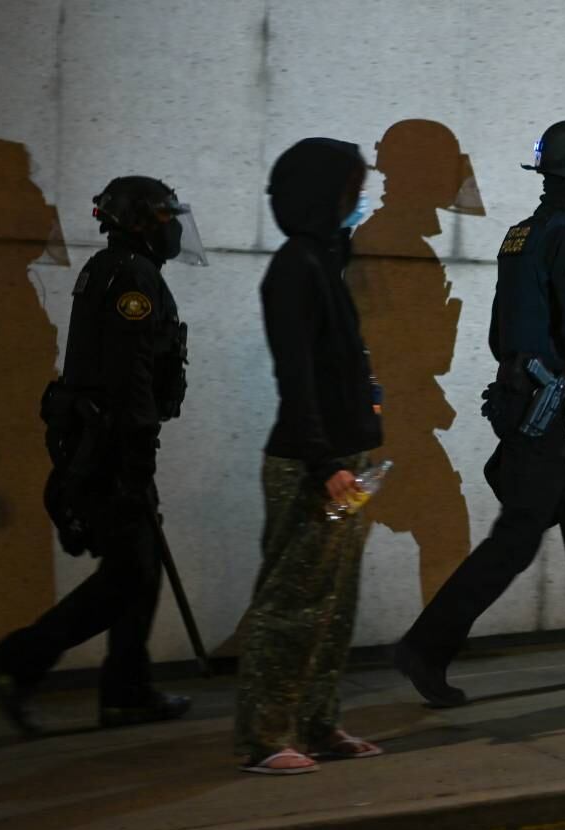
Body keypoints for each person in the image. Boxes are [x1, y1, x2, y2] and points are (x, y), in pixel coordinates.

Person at [393, 119, 565, 707]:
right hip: (543, 406)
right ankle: (426, 646)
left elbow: (506, 325)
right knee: (516, 539)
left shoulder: (524, 232)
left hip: (531, 398)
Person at [0, 175, 204, 735]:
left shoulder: (109, 269)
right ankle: (19, 660)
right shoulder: (133, 277)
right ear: (140, 222)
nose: (175, 227)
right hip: (111, 447)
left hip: (100, 442)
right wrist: (135, 464)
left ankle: (127, 693)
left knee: (139, 568)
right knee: (128, 575)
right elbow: (129, 380)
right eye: (165, 216)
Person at [234, 138, 387, 775]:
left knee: (333, 602)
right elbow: (294, 379)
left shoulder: (323, 258)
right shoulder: (296, 266)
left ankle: (319, 725)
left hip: (341, 456)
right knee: (291, 606)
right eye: (350, 190)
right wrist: (326, 463)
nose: (359, 202)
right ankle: (267, 737)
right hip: (310, 463)